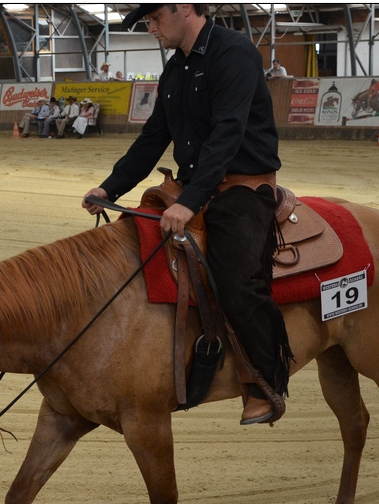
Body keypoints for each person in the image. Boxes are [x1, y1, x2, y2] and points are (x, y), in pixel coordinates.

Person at [81, 4, 291, 425]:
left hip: (243, 186)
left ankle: (267, 380)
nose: (152, 29)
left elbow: (227, 133)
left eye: (156, 19)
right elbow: (153, 137)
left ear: (183, 9)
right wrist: (110, 186)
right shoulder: (174, 71)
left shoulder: (234, 53)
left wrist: (189, 201)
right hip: (195, 186)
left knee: (235, 278)